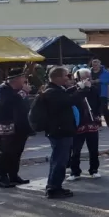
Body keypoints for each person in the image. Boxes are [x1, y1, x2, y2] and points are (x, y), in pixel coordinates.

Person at [30, 66, 87, 199]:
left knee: (59, 159)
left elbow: (66, 95)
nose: (68, 78)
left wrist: (78, 87)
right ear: (57, 78)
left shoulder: (55, 90)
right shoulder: (52, 92)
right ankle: (53, 189)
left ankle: (55, 186)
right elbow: (69, 100)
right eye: (66, 75)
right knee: (59, 160)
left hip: (61, 129)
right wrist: (83, 90)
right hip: (59, 131)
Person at [0, 68, 32, 188]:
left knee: (17, 152)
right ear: (16, 80)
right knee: (5, 153)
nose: (25, 81)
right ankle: (2, 178)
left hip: (20, 126)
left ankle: (14, 176)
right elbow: (7, 103)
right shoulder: (2, 90)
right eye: (23, 78)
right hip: (4, 127)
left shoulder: (19, 90)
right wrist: (23, 93)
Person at [68, 68, 102, 181]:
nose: (87, 79)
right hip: (78, 123)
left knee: (93, 149)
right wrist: (81, 89)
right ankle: (75, 172)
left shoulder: (94, 89)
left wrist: (98, 115)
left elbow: (98, 102)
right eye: (84, 77)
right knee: (76, 150)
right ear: (78, 78)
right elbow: (72, 101)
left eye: (89, 77)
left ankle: (94, 170)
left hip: (91, 122)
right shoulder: (73, 90)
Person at [89, 59, 109, 128]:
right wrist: (90, 81)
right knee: (95, 108)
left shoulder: (105, 72)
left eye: (96, 65)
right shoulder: (89, 72)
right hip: (92, 93)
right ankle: (98, 123)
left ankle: (108, 123)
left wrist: (100, 80)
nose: (95, 66)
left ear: (99, 64)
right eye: (93, 65)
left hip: (102, 92)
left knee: (104, 108)